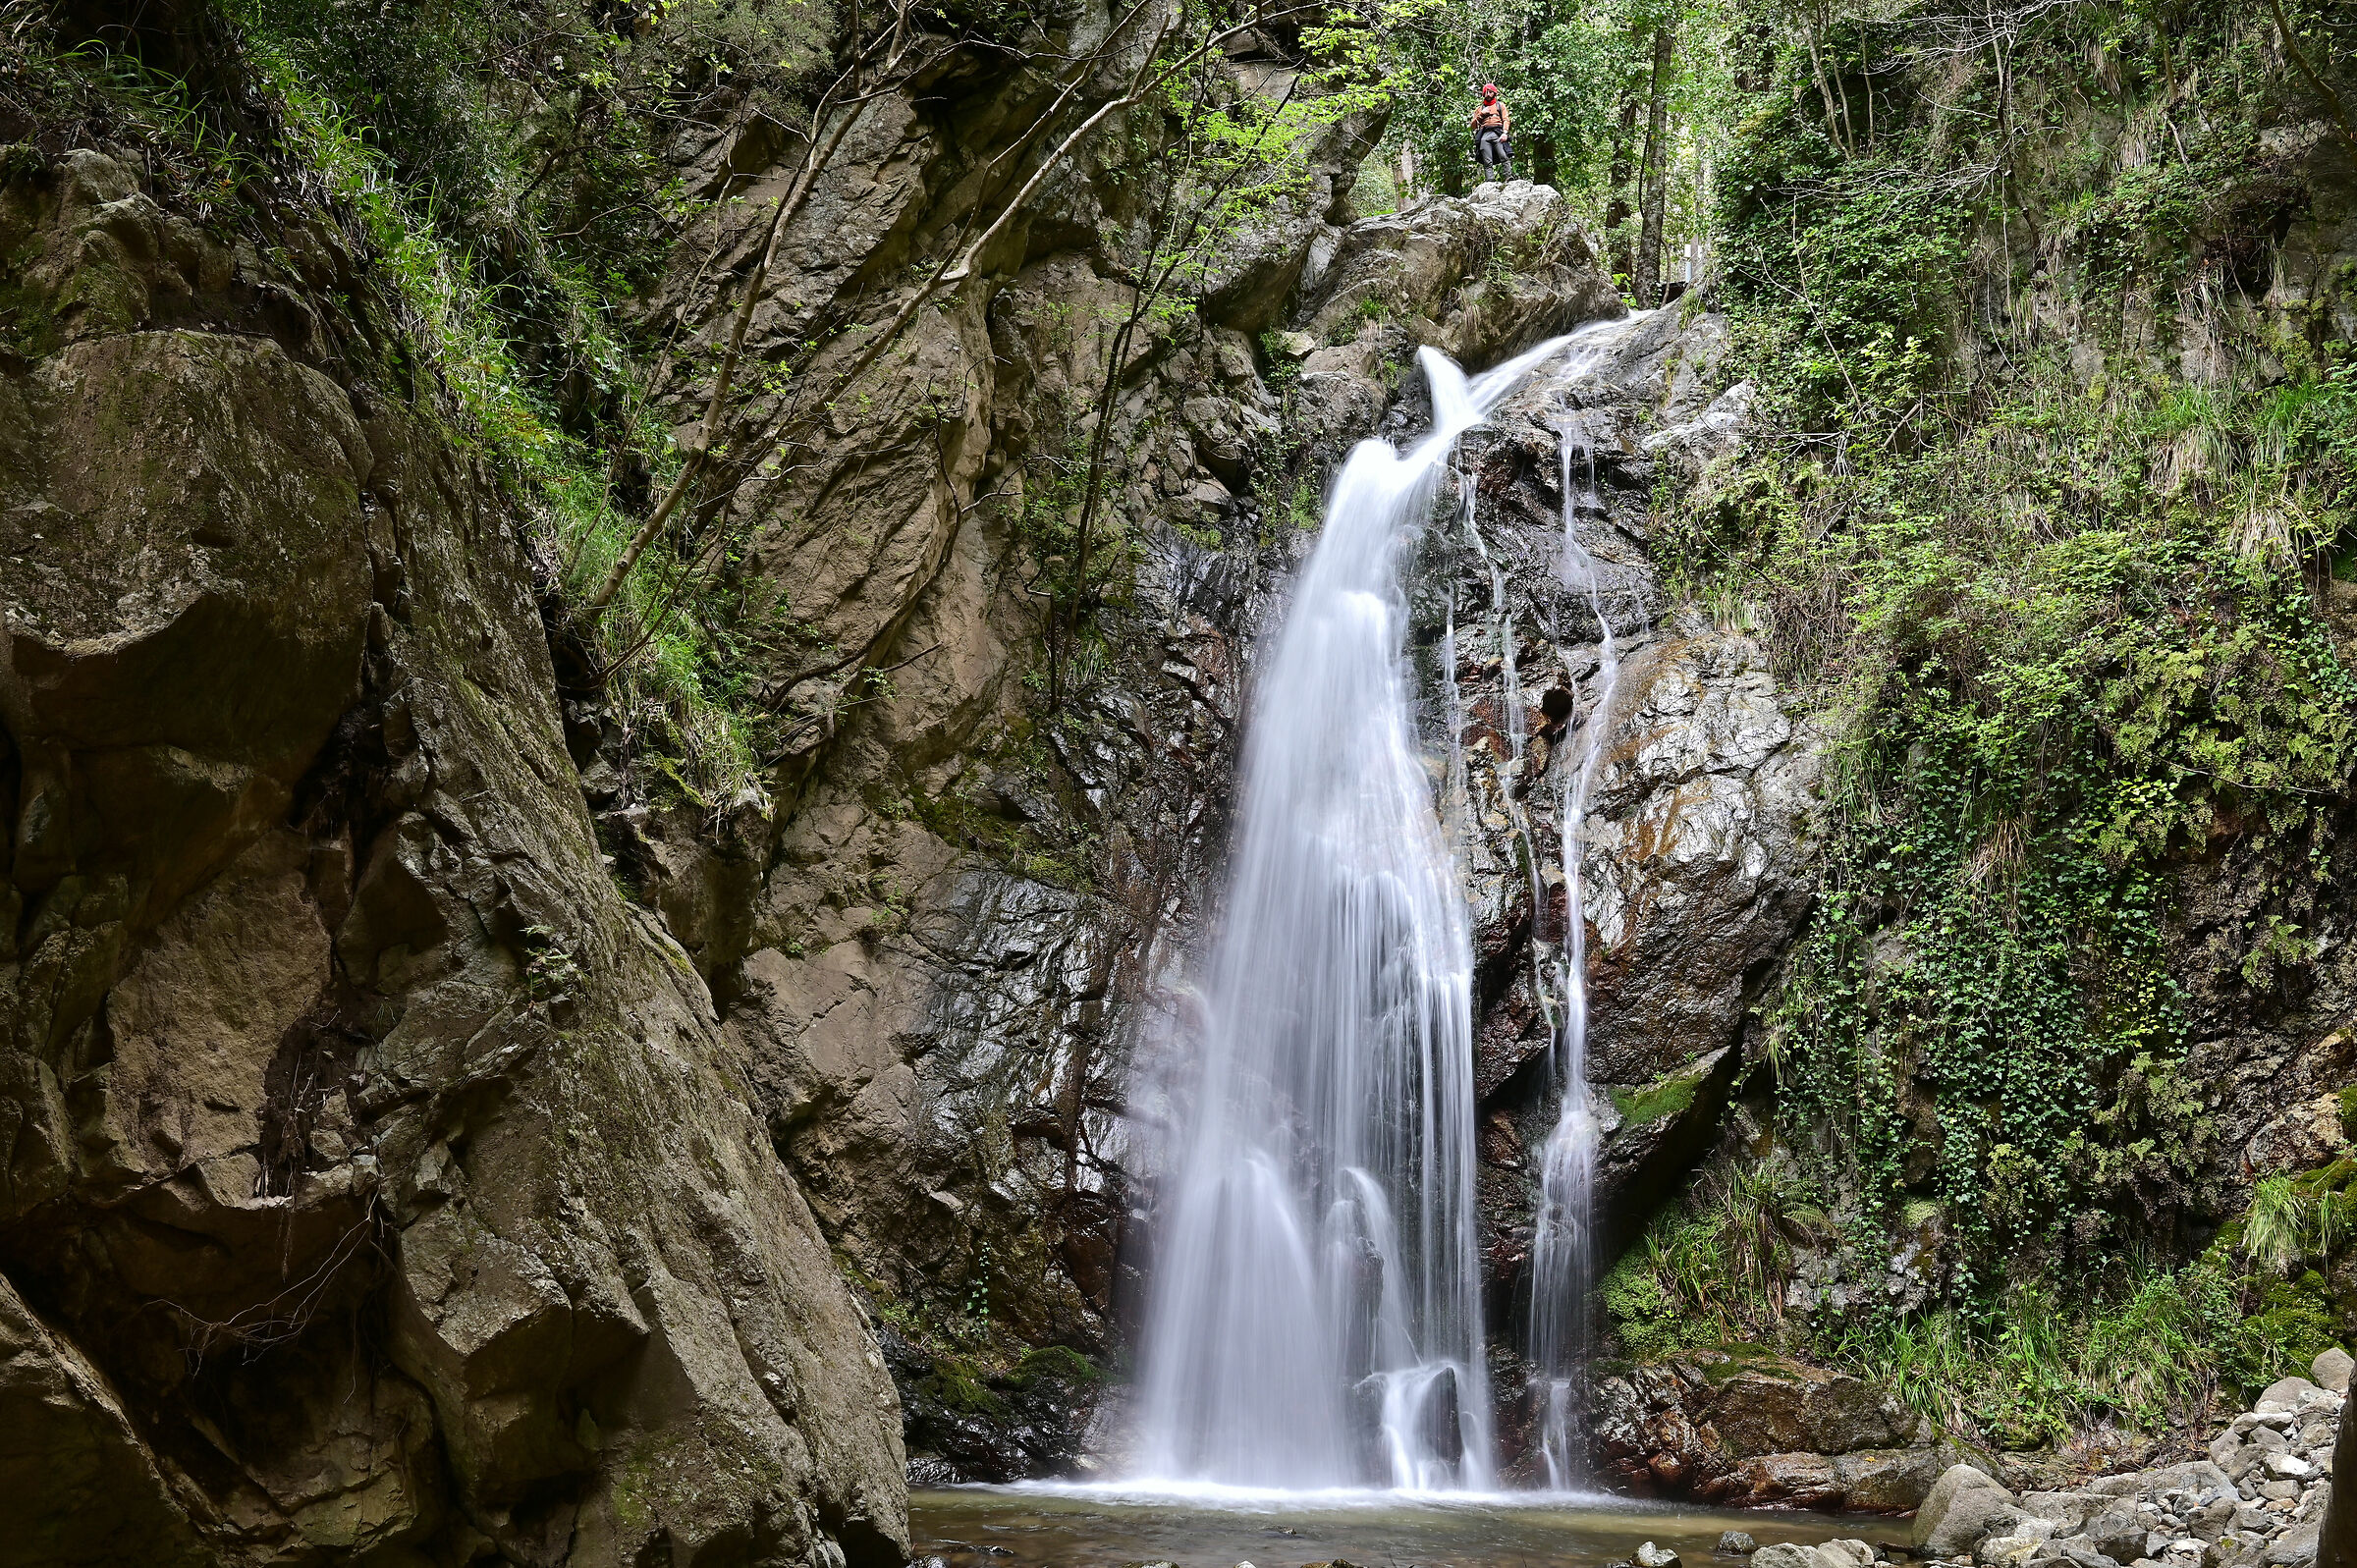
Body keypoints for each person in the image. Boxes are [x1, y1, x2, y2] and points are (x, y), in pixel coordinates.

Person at [1470, 83, 1512, 181]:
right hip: (1484, 135)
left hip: (1498, 133)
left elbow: (1506, 119)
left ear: (1494, 93)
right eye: (1486, 92)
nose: (1488, 94)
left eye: (1490, 92)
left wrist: (1505, 133)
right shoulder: (1479, 109)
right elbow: (1473, 125)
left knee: (1503, 155)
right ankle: (1490, 181)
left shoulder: (1500, 105)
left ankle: (1508, 177)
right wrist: (1482, 114)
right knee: (1487, 161)